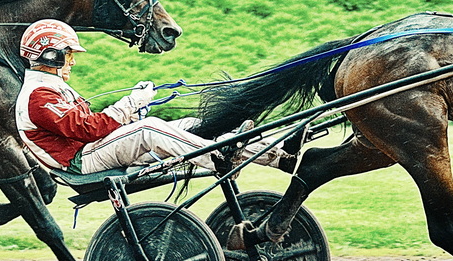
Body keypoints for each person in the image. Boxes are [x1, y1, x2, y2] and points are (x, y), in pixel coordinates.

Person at [14, 19, 287, 176]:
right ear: (51, 55)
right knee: (150, 128)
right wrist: (133, 102)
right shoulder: (38, 96)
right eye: (69, 54)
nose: (72, 61)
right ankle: (218, 159)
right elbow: (88, 129)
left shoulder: (48, 89)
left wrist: (132, 113)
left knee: (189, 126)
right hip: (82, 160)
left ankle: (279, 153)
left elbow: (89, 126)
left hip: (92, 150)